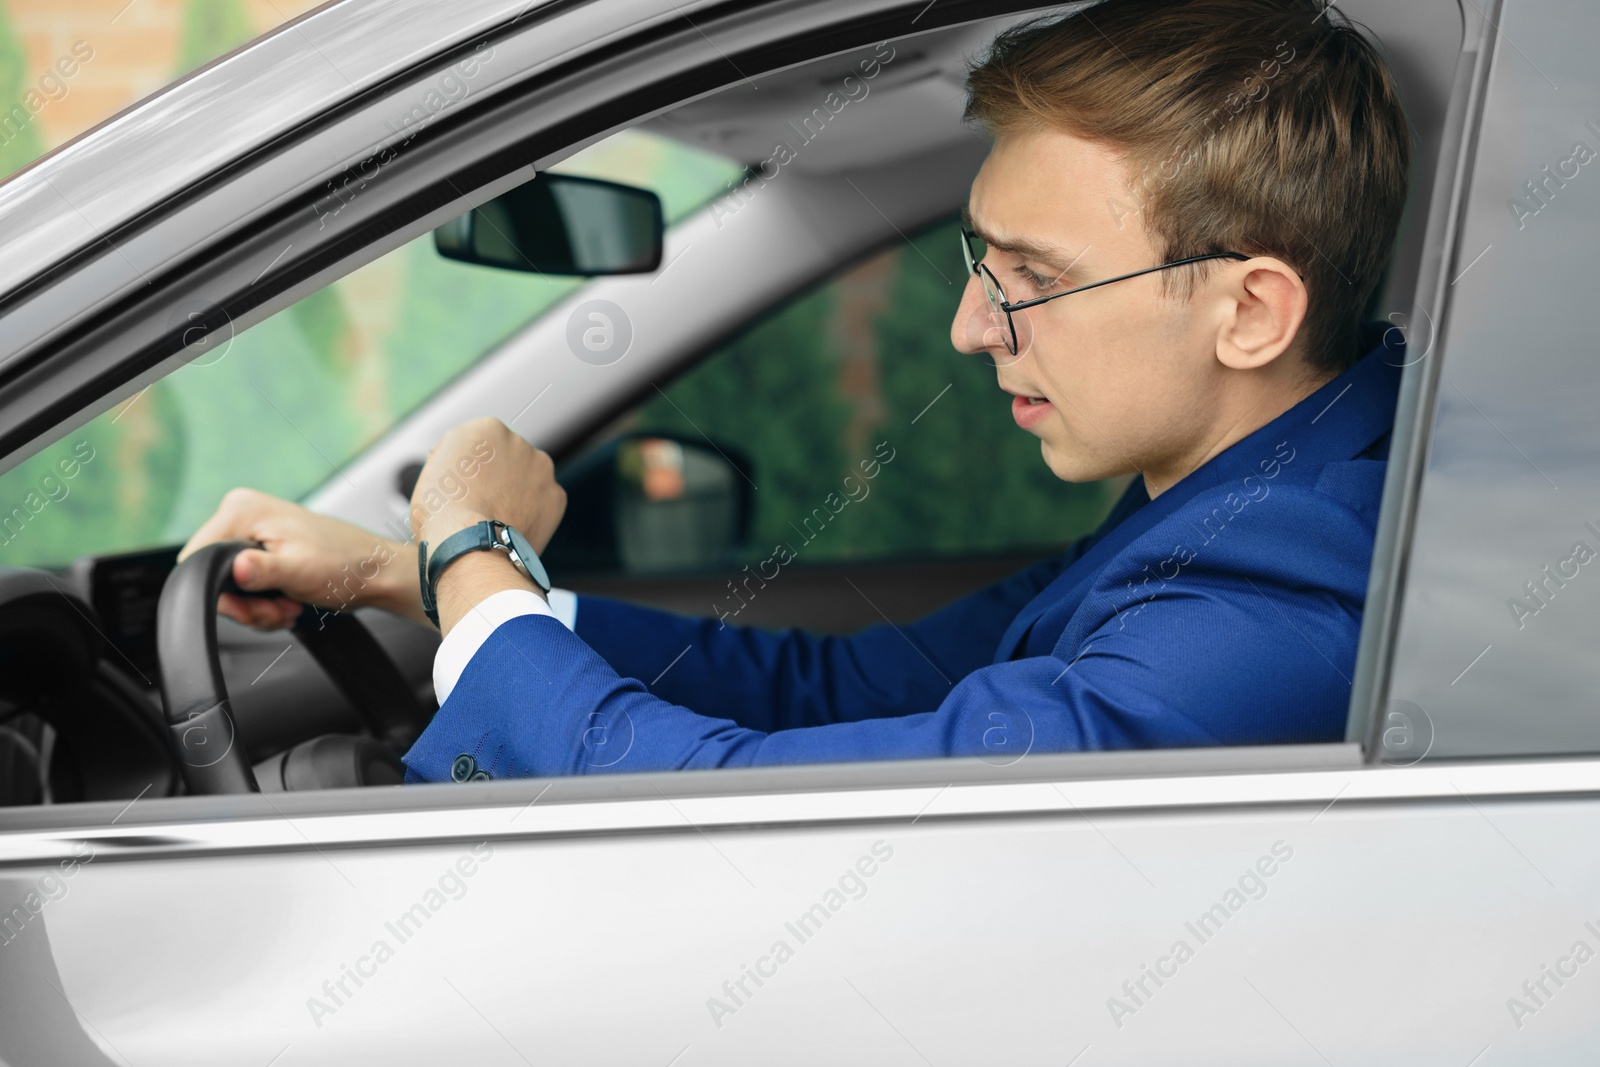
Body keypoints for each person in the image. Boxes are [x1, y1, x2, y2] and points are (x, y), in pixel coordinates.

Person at [182, 0, 1411, 780]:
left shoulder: (1284, 590)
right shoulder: (1227, 502)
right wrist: (406, 574)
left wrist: (475, 549)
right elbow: (843, 695)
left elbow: (722, 814)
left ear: (1247, 312)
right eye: (980, 261)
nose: (969, 324)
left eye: (1032, 277)